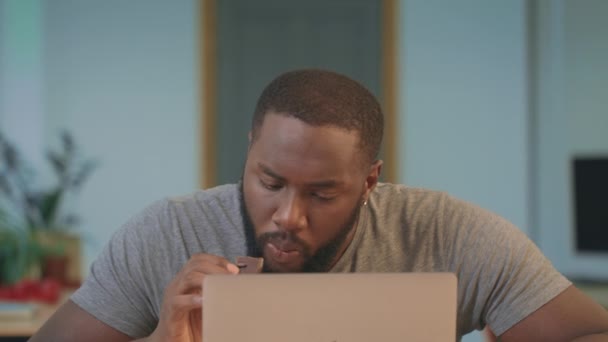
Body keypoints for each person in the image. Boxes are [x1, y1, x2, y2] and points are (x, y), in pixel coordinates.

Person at [31, 69, 608, 342]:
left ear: (370, 181)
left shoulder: (451, 234)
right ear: (249, 152)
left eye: (322, 193)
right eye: (270, 181)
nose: (287, 215)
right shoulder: (167, 232)